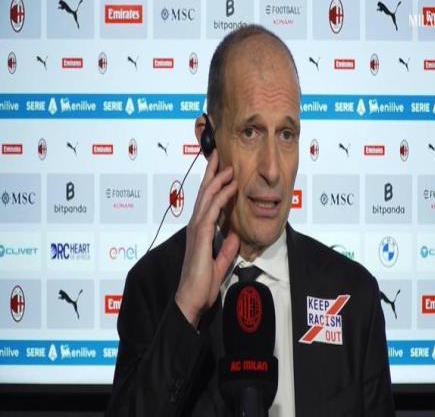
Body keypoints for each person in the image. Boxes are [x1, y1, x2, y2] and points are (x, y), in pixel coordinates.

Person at [106, 24, 395, 417]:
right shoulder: (154, 287)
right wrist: (186, 309)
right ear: (208, 139)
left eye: (286, 135)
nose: (272, 170)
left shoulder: (354, 297)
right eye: (250, 132)